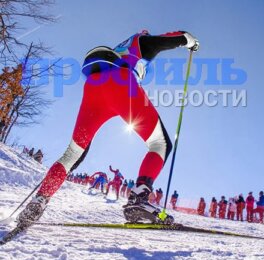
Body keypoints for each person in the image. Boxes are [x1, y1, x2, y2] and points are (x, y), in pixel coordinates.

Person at [17, 29, 199, 226]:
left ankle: (40, 199)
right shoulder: (139, 42)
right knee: (160, 144)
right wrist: (188, 40)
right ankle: (139, 198)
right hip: (121, 84)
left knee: (73, 153)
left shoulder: (117, 50)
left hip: (94, 87)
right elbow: (161, 41)